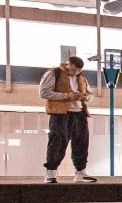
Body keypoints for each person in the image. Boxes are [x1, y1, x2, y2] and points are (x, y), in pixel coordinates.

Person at [40, 55, 96, 183]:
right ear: (67, 64)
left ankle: (80, 172)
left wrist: (86, 98)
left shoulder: (82, 78)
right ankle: (50, 173)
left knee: (82, 143)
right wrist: (68, 96)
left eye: (78, 71)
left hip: (79, 114)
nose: (75, 73)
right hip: (60, 114)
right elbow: (43, 92)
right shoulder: (53, 73)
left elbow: (90, 94)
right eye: (73, 70)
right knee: (57, 142)